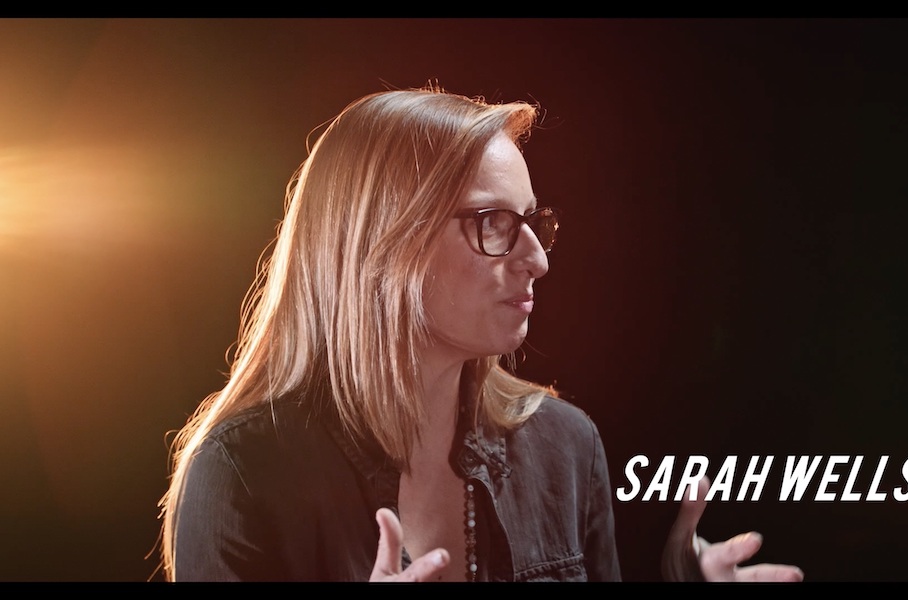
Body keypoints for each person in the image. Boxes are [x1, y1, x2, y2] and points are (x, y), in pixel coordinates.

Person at [156, 85, 804, 582]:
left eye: (532, 222)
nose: (537, 260)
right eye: (493, 223)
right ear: (385, 243)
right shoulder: (242, 475)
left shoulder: (566, 448)